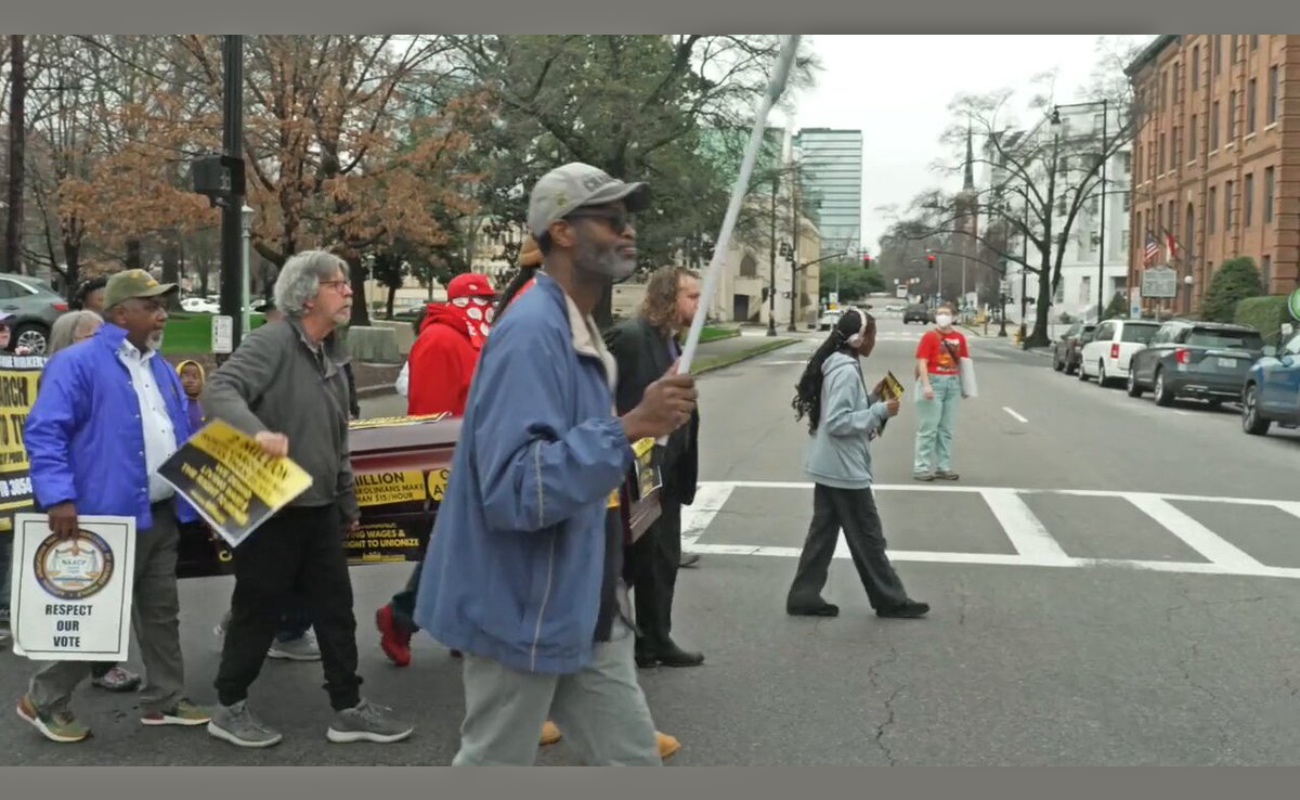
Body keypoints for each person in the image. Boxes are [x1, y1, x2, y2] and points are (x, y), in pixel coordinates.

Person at [414, 162, 696, 766]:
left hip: (583, 600)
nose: (628, 233)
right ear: (562, 232)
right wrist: (629, 427)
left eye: (629, 220)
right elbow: (516, 489)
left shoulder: (575, 326)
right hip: (521, 605)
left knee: (633, 762)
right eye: (611, 219)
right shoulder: (531, 333)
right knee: (495, 762)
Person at [202, 250, 411, 749]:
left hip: (319, 512)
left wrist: (346, 503)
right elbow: (219, 389)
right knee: (258, 610)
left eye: (346, 284)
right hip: (272, 510)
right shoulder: (273, 341)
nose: (348, 292)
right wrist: (256, 434)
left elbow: (337, 438)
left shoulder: (332, 354)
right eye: (338, 284)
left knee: (336, 610)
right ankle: (228, 707)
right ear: (306, 294)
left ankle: (348, 708)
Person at [18, 269, 212, 743]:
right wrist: (58, 497)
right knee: (99, 617)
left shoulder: (159, 366)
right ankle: (42, 699)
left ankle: (166, 699)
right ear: (122, 313)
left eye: (163, 305)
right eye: (153, 306)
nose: (163, 315)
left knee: (161, 612)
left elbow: (177, 432)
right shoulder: (78, 363)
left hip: (161, 510)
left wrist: (202, 497)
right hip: (104, 515)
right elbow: (45, 432)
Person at [375, 272, 497, 668]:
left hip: (480, 459)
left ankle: (449, 623)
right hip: (452, 464)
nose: (487, 307)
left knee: (463, 552)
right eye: (480, 300)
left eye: (490, 299)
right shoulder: (441, 340)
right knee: (453, 552)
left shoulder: (474, 338)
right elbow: (430, 415)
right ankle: (403, 616)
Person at [786, 307, 930, 621]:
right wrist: (881, 412)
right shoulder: (845, 369)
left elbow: (841, 411)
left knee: (823, 534)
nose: (874, 341)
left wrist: (871, 398)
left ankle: (803, 594)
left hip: (830, 463)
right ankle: (890, 599)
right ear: (858, 339)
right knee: (868, 535)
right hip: (842, 468)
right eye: (872, 335)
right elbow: (838, 422)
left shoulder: (840, 363)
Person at [604, 265, 704, 669]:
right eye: (692, 297)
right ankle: (630, 638)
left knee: (662, 557)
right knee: (634, 559)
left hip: (666, 468)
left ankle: (654, 637)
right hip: (635, 468)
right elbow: (604, 398)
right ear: (667, 298)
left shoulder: (672, 342)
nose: (700, 304)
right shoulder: (630, 339)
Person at [912, 302, 969, 482]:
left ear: (954, 317)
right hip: (934, 381)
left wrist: (965, 385)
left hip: (952, 383)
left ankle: (943, 467)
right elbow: (922, 361)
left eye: (945, 313)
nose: (941, 316)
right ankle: (921, 467)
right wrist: (926, 385)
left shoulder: (959, 338)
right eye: (939, 313)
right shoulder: (930, 337)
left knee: (946, 429)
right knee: (929, 428)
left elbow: (963, 362)